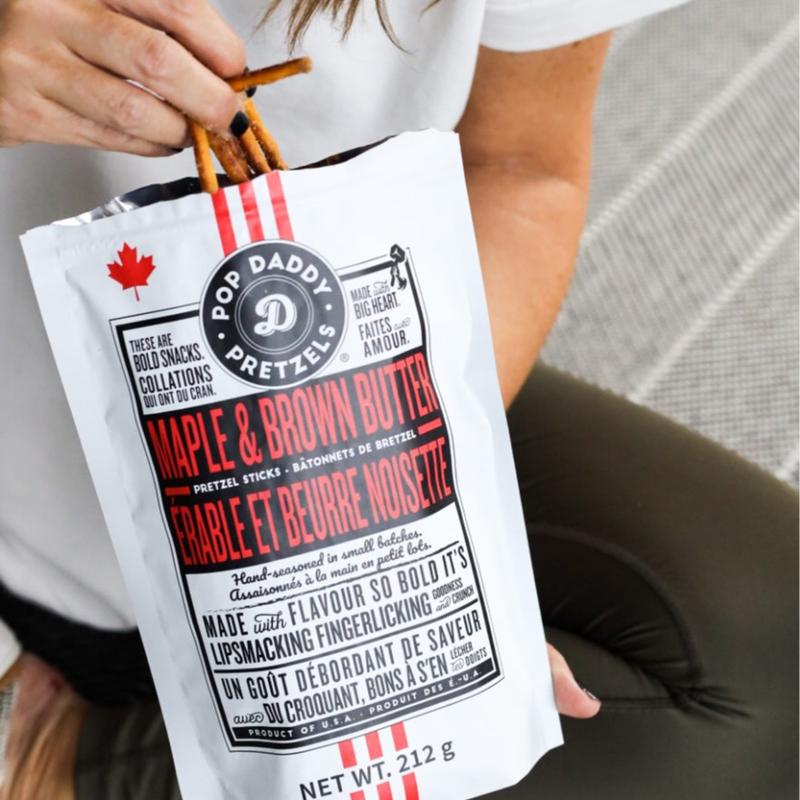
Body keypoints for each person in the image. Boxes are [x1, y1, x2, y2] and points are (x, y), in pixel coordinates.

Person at [0, 0, 796, 797]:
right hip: (29, 497)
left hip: (347, 376)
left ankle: (80, 756)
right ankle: (41, 756)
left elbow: (522, 163)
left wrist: (404, 526)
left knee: (773, 638)